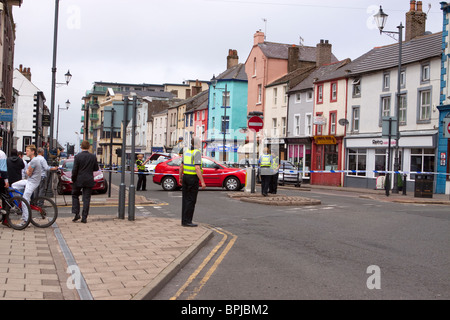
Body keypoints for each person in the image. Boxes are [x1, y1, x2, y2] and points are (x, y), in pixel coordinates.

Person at [12, 145, 43, 226]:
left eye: (28, 150)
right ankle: (19, 199)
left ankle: (26, 221)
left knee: (25, 200)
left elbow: (29, 173)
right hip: (29, 181)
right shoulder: (33, 160)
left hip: (32, 182)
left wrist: (26, 171)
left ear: (33, 152)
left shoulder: (34, 161)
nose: (26, 152)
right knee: (14, 185)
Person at [179, 137, 206, 227]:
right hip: (192, 178)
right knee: (191, 200)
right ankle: (188, 221)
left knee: (185, 199)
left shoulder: (186, 151)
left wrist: (180, 177)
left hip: (185, 177)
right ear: (198, 143)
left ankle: (184, 220)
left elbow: (181, 166)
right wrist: (202, 181)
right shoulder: (197, 152)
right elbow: (197, 168)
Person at [71, 140, 99, 223]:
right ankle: (84, 217)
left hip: (78, 179)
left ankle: (76, 213)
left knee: (75, 195)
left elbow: (75, 169)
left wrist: (73, 178)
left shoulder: (78, 156)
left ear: (81, 147)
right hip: (89, 179)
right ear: (89, 147)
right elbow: (96, 168)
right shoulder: (93, 157)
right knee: (86, 198)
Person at [0, 137, 9, 226]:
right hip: (0, 179)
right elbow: (3, 169)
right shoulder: (2, 154)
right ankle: (5, 220)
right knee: (5, 198)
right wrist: (6, 181)